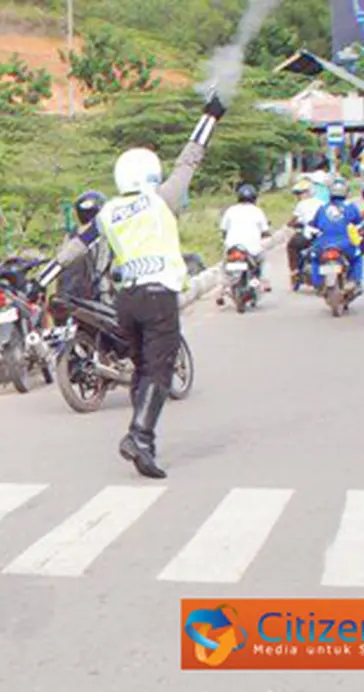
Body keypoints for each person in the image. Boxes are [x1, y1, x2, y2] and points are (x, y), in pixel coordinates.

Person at [51, 94, 226, 479]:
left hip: (126, 301)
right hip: (158, 295)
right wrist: (210, 116)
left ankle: (144, 438)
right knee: (159, 370)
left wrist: (42, 277)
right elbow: (189, 159)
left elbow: (76, 247)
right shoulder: (162, 199)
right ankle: (140, 436)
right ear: (150, 174)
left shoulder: (109, 210)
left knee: (143, 368)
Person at [216, 183, 272, 305]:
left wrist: (227, 242)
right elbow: (265, 231)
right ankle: (265, 282)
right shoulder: (257, 211)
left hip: (233, 248)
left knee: (224, 268)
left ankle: (220, 291)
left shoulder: (230, 210)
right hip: (252, 249)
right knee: (263, 260)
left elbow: (223, 230)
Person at [309, 178, 364, 296]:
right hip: (345, 243)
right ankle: (354, 281)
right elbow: (359, 223)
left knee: (314, 259)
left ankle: (317, 282)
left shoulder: (322, 208)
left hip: (323, 244)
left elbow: (313, 225)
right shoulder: (351, 207)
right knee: (357, 258)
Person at [287, 179, 324, 290]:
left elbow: (293, 220)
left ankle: (294, 271)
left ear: (308, 192)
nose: (298, 196)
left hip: (308, 235)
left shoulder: (301, 204)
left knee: (291, 246)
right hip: (322, 236)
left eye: (300, 193)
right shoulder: (322, 203)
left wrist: (289, 224)